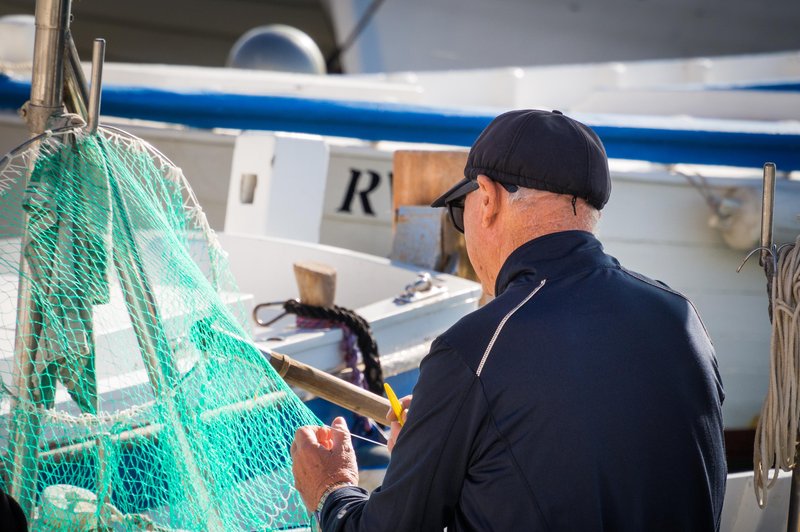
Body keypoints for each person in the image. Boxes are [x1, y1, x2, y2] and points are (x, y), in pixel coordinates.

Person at [291, 109, 727, 531]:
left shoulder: (474, 348)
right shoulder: (680, 317)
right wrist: (439, 438)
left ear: (489, 199)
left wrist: (333, 489)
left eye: (461, 214)